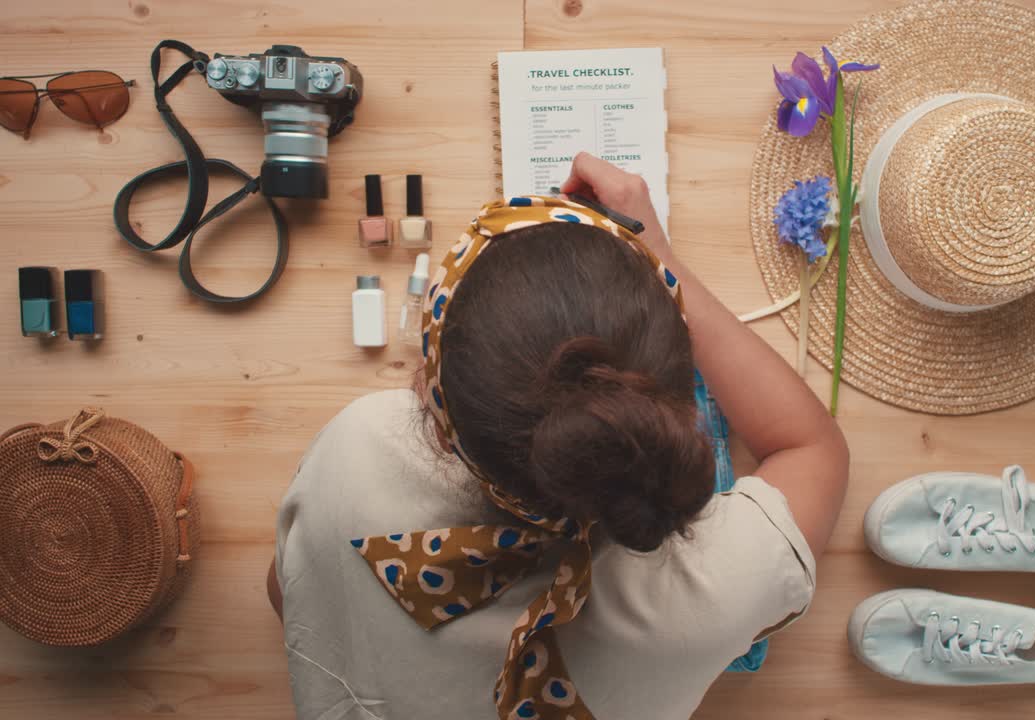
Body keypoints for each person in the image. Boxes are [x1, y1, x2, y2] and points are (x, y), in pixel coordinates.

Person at [269, 153, 849, 720]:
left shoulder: (357, 449)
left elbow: (288, 591)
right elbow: (812, 448)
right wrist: (663, 259)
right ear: (672, 409)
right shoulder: (712, 593)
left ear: (438, 421)